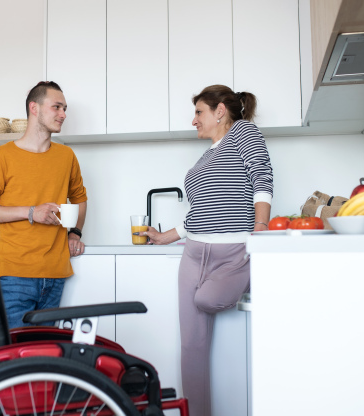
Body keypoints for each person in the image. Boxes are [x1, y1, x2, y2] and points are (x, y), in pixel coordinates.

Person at [141, 85, 273, 416]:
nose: (194, 120)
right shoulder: (206, 155)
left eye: (199, 112)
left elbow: (262, 177)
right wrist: (166, 236)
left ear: (220, 111)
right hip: (193, 253)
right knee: (192, 347)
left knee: (206, 300)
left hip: (232, 253)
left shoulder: (244, 131)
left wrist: (260, 230)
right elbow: (201, 210)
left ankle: (254, 273)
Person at [0, 81, 88, 330]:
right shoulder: (3, 156)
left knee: (45, 353)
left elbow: (79, 197)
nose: (63, 114)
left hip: (56, 275)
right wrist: (31, 212)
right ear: (34, 108)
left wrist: (75, 233)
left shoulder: (66, 156)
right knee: (16, 356)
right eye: (57, 107)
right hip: (15, 276)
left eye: (65, 108)